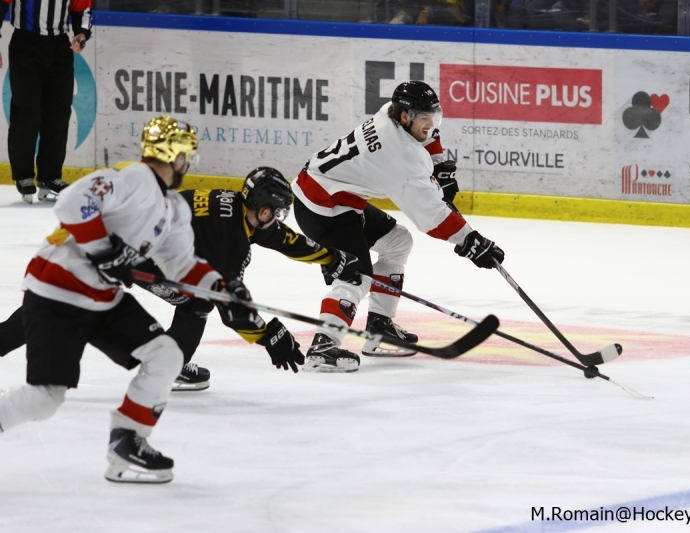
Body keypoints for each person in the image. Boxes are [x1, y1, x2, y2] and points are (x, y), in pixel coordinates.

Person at [0, 116, 256, 484]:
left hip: (102, 296)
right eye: (186, 155)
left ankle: (127, 440)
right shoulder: (134, 178)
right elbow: (72, 202)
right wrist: (104, 250)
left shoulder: (174, 208)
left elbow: (182, 264)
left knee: (166, 355)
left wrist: (223, 286)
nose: (188, 163)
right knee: (44, 399)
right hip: (58, 290)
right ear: (177, 156)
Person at [0, 167, 365, 389]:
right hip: (125, 256)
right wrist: (269, 336)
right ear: (265, 208)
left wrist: (332, 257)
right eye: (279, 211)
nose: (280, 218)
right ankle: (172, 367)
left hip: (122, 243)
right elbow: (229, 305)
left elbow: (282, 239)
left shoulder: (240, 208)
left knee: (51, 310)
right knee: (198, 302)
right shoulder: (231, 242)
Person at [291, 80, 505, 373]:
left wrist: (440, 167)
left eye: (434, 116)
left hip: (332, 194)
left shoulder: (390, 114)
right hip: (323, 206)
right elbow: (431, 217)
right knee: (355, 276)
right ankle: (323, 344)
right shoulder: (400, 157)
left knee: (397, 241)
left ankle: (380, 326)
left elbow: (428, 137)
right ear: (405, 116)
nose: (430, 124)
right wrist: (470, 242)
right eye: (424, 118)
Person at [0, 0, 92, 203]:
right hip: (25, 46)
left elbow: (82, 9)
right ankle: (23, 175)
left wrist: (82, 33)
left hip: (59, 47)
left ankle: (50, 176)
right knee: (27, 112)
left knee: (58, 114)